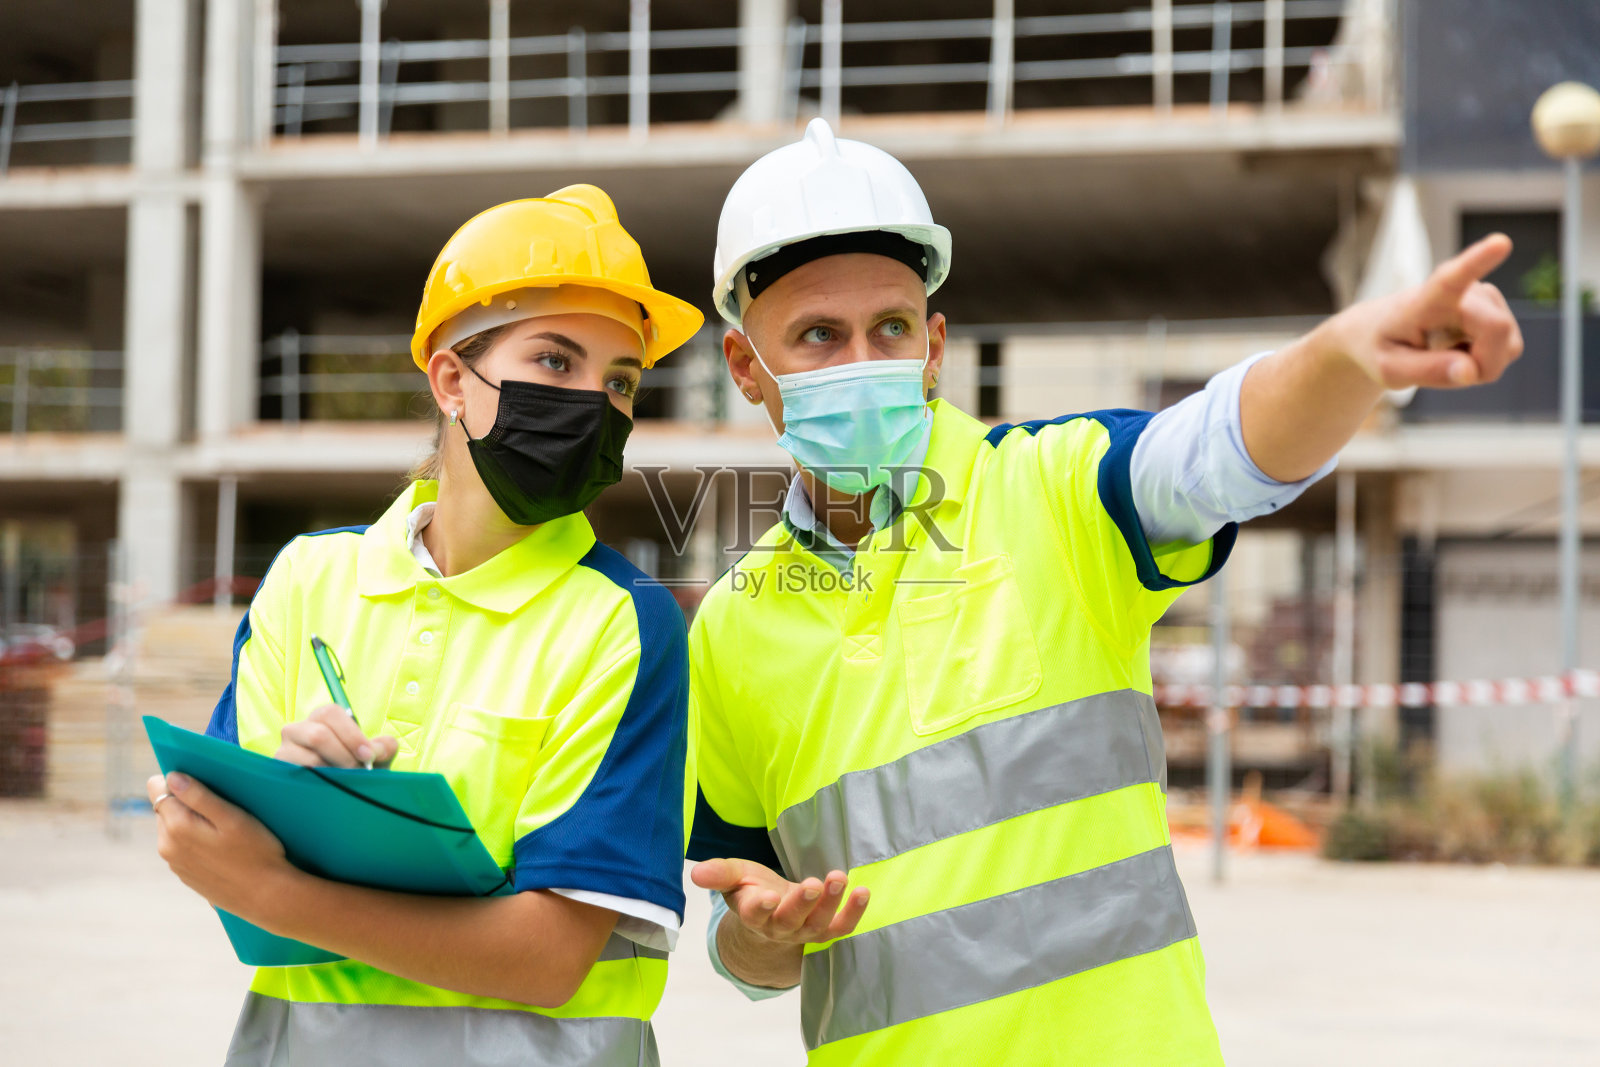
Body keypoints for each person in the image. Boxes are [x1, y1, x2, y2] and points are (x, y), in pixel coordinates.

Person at [686, 120, 1523, 1064]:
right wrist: (756, 938)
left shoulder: (1053, 489)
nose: (864, 363)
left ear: (935, 345)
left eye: (891, 328)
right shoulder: (730, 628)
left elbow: (1212, 454)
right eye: (818, 337)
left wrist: (1346, 358)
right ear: (746, 369)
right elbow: (743, 925)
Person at [144, 185, 705, 1066]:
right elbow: (214, 851)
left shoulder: (625, 625)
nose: (594, 402)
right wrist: (291, 799)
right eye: (556, 361)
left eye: (621, 379)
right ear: (451, 379)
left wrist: (285, 884)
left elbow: (552, 956)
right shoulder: (307, 578)